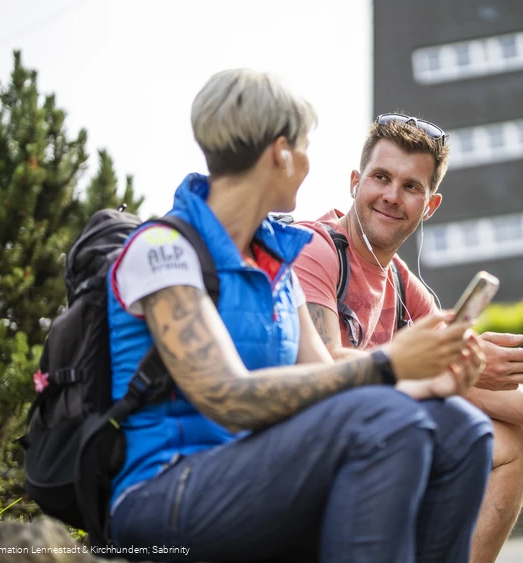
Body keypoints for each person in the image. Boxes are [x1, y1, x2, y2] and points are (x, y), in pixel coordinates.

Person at [106, 71, 495, 562]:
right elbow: (228, 397)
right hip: (165, 492)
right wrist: (391, 364)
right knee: (387, 421)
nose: (309, 163)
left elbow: (324, 378)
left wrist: (426, 382)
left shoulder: (275, 263)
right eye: (306, 147)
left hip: (259, 466)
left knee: (462, 429)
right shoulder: (163, 249)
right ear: (281, 153)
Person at [292, 113, 523, 563]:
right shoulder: (315, 249)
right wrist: (451, 365)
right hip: (306, 444)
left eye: (411, 186)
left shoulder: (404, 286)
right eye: (381, 177)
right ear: (354, 183)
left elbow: (471, 382)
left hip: (378, 436)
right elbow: (323, 368)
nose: (392, 195)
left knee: (518, 441)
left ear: (430, 206)